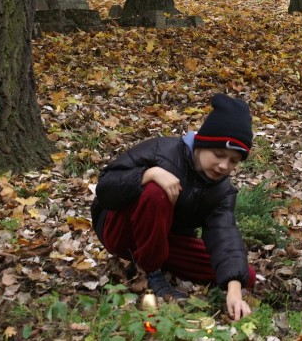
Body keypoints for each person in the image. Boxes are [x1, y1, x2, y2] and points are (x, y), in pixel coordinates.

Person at [91, 94, 257, 321]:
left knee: (244, 276)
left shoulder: (222, 191)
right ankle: (151, 273)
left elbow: (224, 235)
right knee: (156, 192)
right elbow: (106, 189)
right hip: (120, 230)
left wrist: (235, 291)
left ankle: (151, 261)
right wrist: (147, 175)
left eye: (233, 161)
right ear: (202, 143)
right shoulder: (161, 150)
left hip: (165, 242)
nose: (223, 166)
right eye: (218, 155)